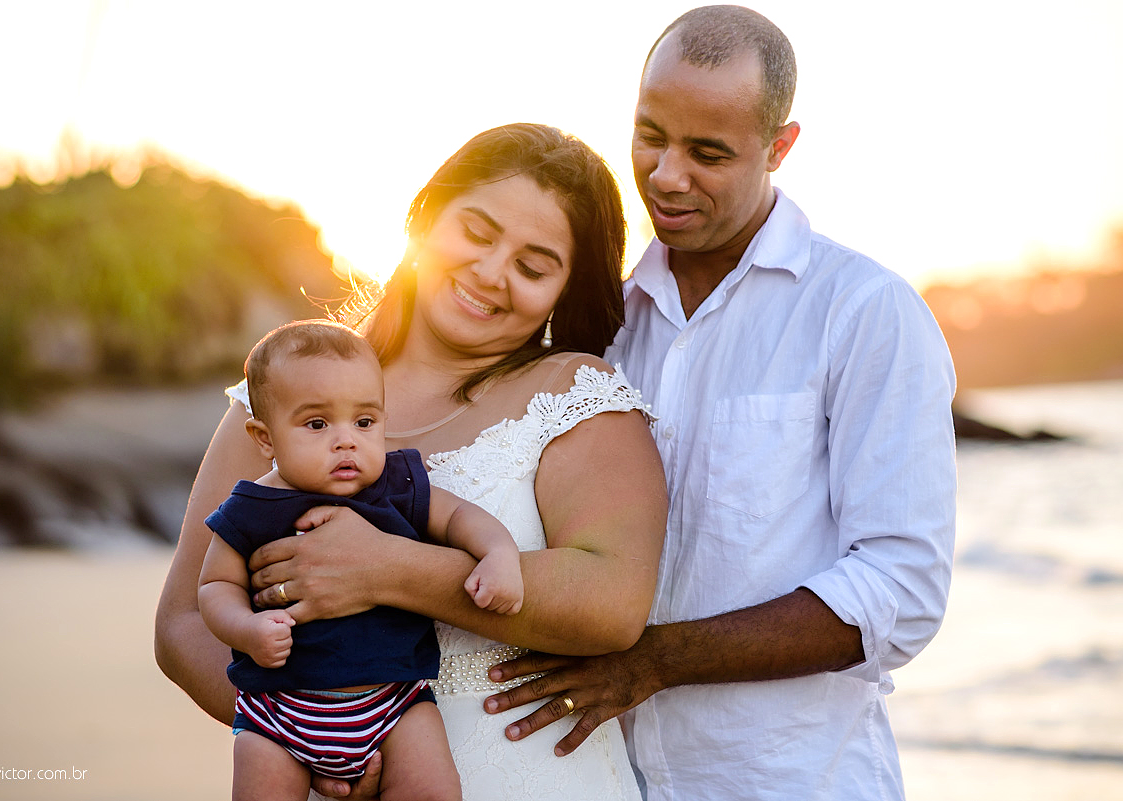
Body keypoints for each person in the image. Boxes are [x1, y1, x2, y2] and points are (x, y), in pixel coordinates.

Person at [483, 7, 958, 801]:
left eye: (708, 153)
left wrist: (654, 661)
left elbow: (902, 588)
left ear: (779, 147)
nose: (667, 175)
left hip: (792, 783)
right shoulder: (599, 321)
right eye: (649, 135)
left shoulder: (863, 309)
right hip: (601, 781)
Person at [155, 122, 669, 800]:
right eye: (478, 233)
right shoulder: (289, 392)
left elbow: (612, 600)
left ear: (565, 290)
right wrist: (314, 736)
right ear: (426, 217)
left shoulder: (574, 395)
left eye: (533, 265)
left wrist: (388, 571)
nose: (491, 273)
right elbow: (184, 621)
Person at [199, 319, 526, 800]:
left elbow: (460, 517)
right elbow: (214, 587)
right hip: (277, 711)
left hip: (395, 704)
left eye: (365, 422)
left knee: (433, 791)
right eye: (317, 424)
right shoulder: (251, 507)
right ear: (264, 438)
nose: (346, 440)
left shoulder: (397, 486)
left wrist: (499, 553)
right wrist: (245, 629)